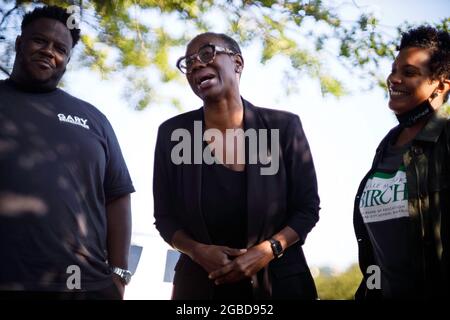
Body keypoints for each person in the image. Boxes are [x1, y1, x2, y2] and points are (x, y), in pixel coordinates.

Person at [153, 32, 320, 300]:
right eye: (188, 62)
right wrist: (196, 251)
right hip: (199, 288)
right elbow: (165, 218)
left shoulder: (284, 127)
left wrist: (269, 249)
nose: (196, 64)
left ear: (238, 63)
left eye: (206, 54)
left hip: (279, 285)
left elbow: (307, 209)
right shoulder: (173, 134)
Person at [0, 6, 135, 299]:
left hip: (86, 288)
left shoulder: (93, 119)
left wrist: (119, 275)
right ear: (20, 43)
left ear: (67, 60)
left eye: (60, 48)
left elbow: (118, 195)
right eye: (40, 41)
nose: (49, 51)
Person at [354, 25, 450, 300]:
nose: (394, 79)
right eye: (394, 70)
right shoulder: (386, 147)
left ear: (440, 86)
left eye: (408, 73)